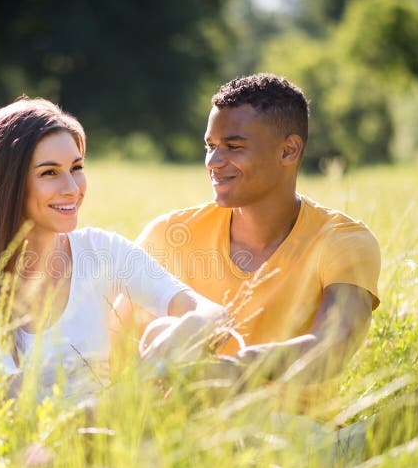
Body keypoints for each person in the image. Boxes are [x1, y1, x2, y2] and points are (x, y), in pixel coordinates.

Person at [117, 73, 381, 417]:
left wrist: (229, 372)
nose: (213, 162)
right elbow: (111, 338)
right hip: (179, 428)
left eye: (234, 147)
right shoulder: (170, 233)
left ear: (288, 151)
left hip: (296, 436)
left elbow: (333, 346)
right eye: (211, 146)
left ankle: (355, 444)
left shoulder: (343, 240)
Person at [0, 97, 228, 402]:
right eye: (49, 173)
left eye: (76, 168)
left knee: (171, 332)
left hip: (115, 432)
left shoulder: (100, 250)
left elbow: (214, 314)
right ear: (9, 184)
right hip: (43, 441)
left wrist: (181, 334)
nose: (72, 188)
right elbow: (3, 406)